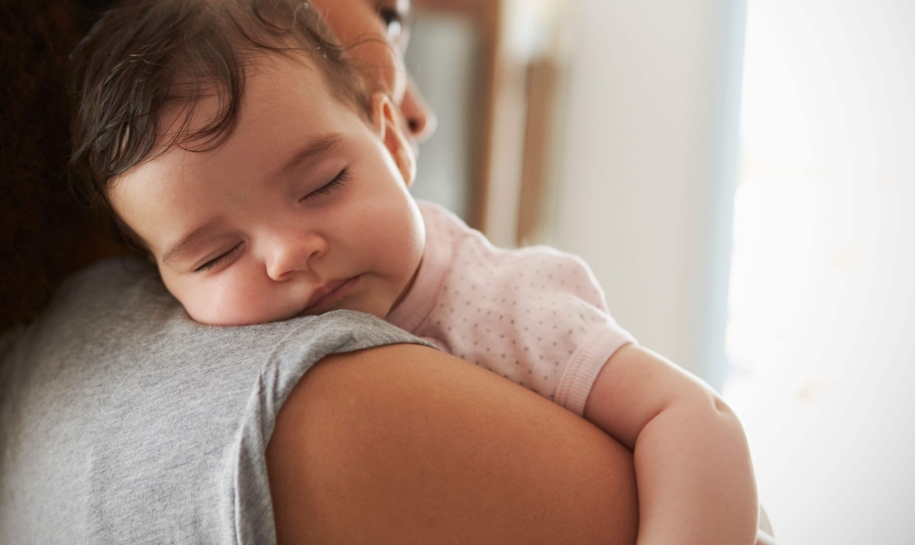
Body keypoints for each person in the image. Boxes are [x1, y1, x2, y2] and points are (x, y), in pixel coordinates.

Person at [66, 1, 764, 544]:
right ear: (159, 279)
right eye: (217, 255)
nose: (288, 253)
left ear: (393, 141)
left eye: (323, 184)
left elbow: (694, 417)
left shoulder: (505, 300)